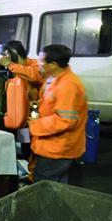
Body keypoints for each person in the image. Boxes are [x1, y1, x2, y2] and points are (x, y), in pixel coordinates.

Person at [29, 44, 87, 184]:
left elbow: (65, 120)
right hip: (53, 145)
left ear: (54, 64)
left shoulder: (67, 85)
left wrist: (36, 124)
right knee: (57, 183)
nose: (39, 64)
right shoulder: (55, 79)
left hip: (58, 148)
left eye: (42, 61)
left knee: (45, 184)